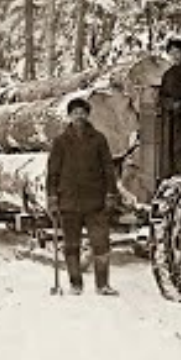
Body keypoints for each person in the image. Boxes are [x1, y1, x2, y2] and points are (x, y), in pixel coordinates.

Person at [46, 97, 120, 295]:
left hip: (95, 201)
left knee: (101, 243)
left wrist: (111, 194)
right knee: (71, 245)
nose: (79, 116)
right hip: (68, 201)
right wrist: (52, 198)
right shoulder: (60, 142)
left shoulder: (99, 139)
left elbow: (108, 169)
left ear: (87, 115)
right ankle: (75, 284)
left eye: (82, 113)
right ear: (69, 116)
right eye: (75, 113)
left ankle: (102, 285)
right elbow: (53, 172)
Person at [158, 37, 181, 178]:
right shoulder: (168, 74)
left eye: (177, 52)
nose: (175, 56)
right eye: (172, 53)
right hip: (172, 118)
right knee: (172, 150)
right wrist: (171, 104)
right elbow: (162, 97)